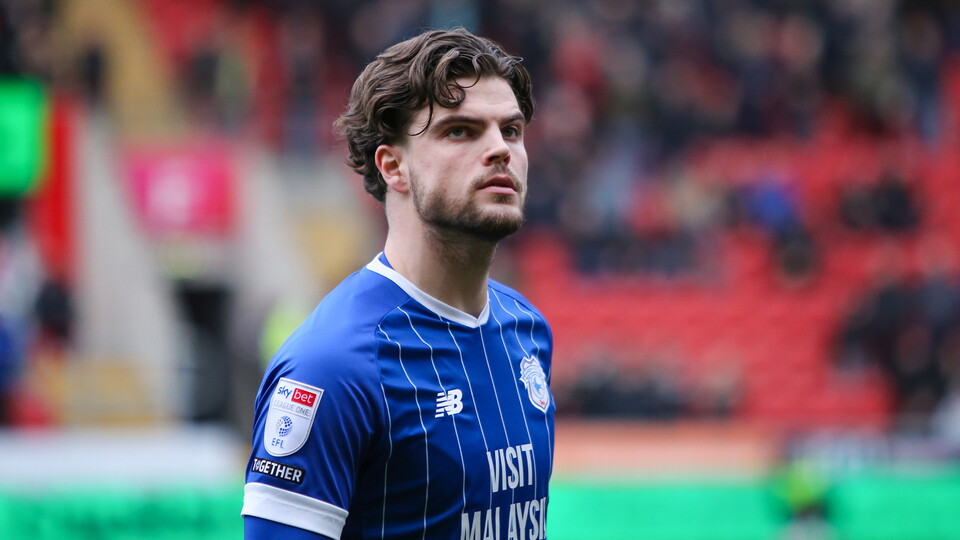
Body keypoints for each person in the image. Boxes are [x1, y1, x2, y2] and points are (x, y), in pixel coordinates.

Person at [241, 28, 555, 540]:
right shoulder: (333, 366)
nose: (500, 149)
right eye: (461, 131)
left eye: (512, 130)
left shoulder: (527, 330)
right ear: (393, 167)